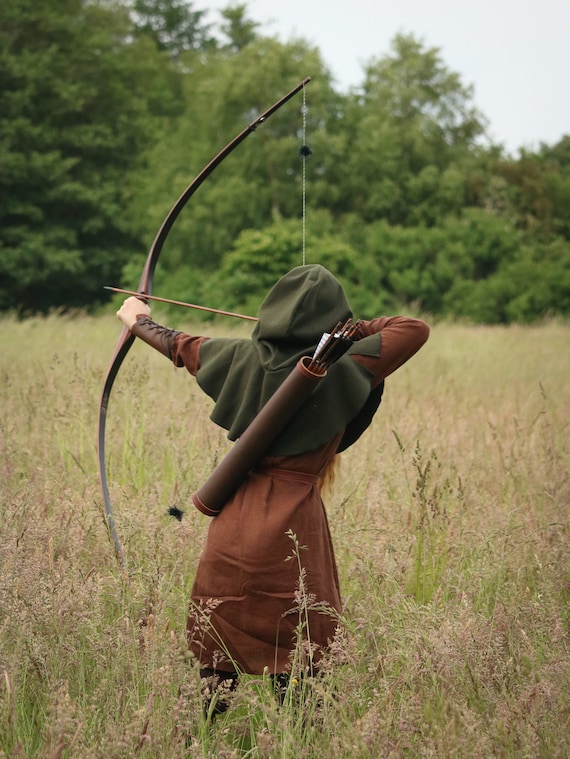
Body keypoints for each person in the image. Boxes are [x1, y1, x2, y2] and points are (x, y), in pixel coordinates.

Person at [116, 264, 429, 715]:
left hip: (234, 518)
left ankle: (202, 739)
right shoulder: (348, 365)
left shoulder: (236, 357)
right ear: (334, 319)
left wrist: (135, 316)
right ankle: (295, 739)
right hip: (296, 522)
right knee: (300, 652)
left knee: (218, 648)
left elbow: (176, 344)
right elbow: (413, 328)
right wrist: (350, 331)